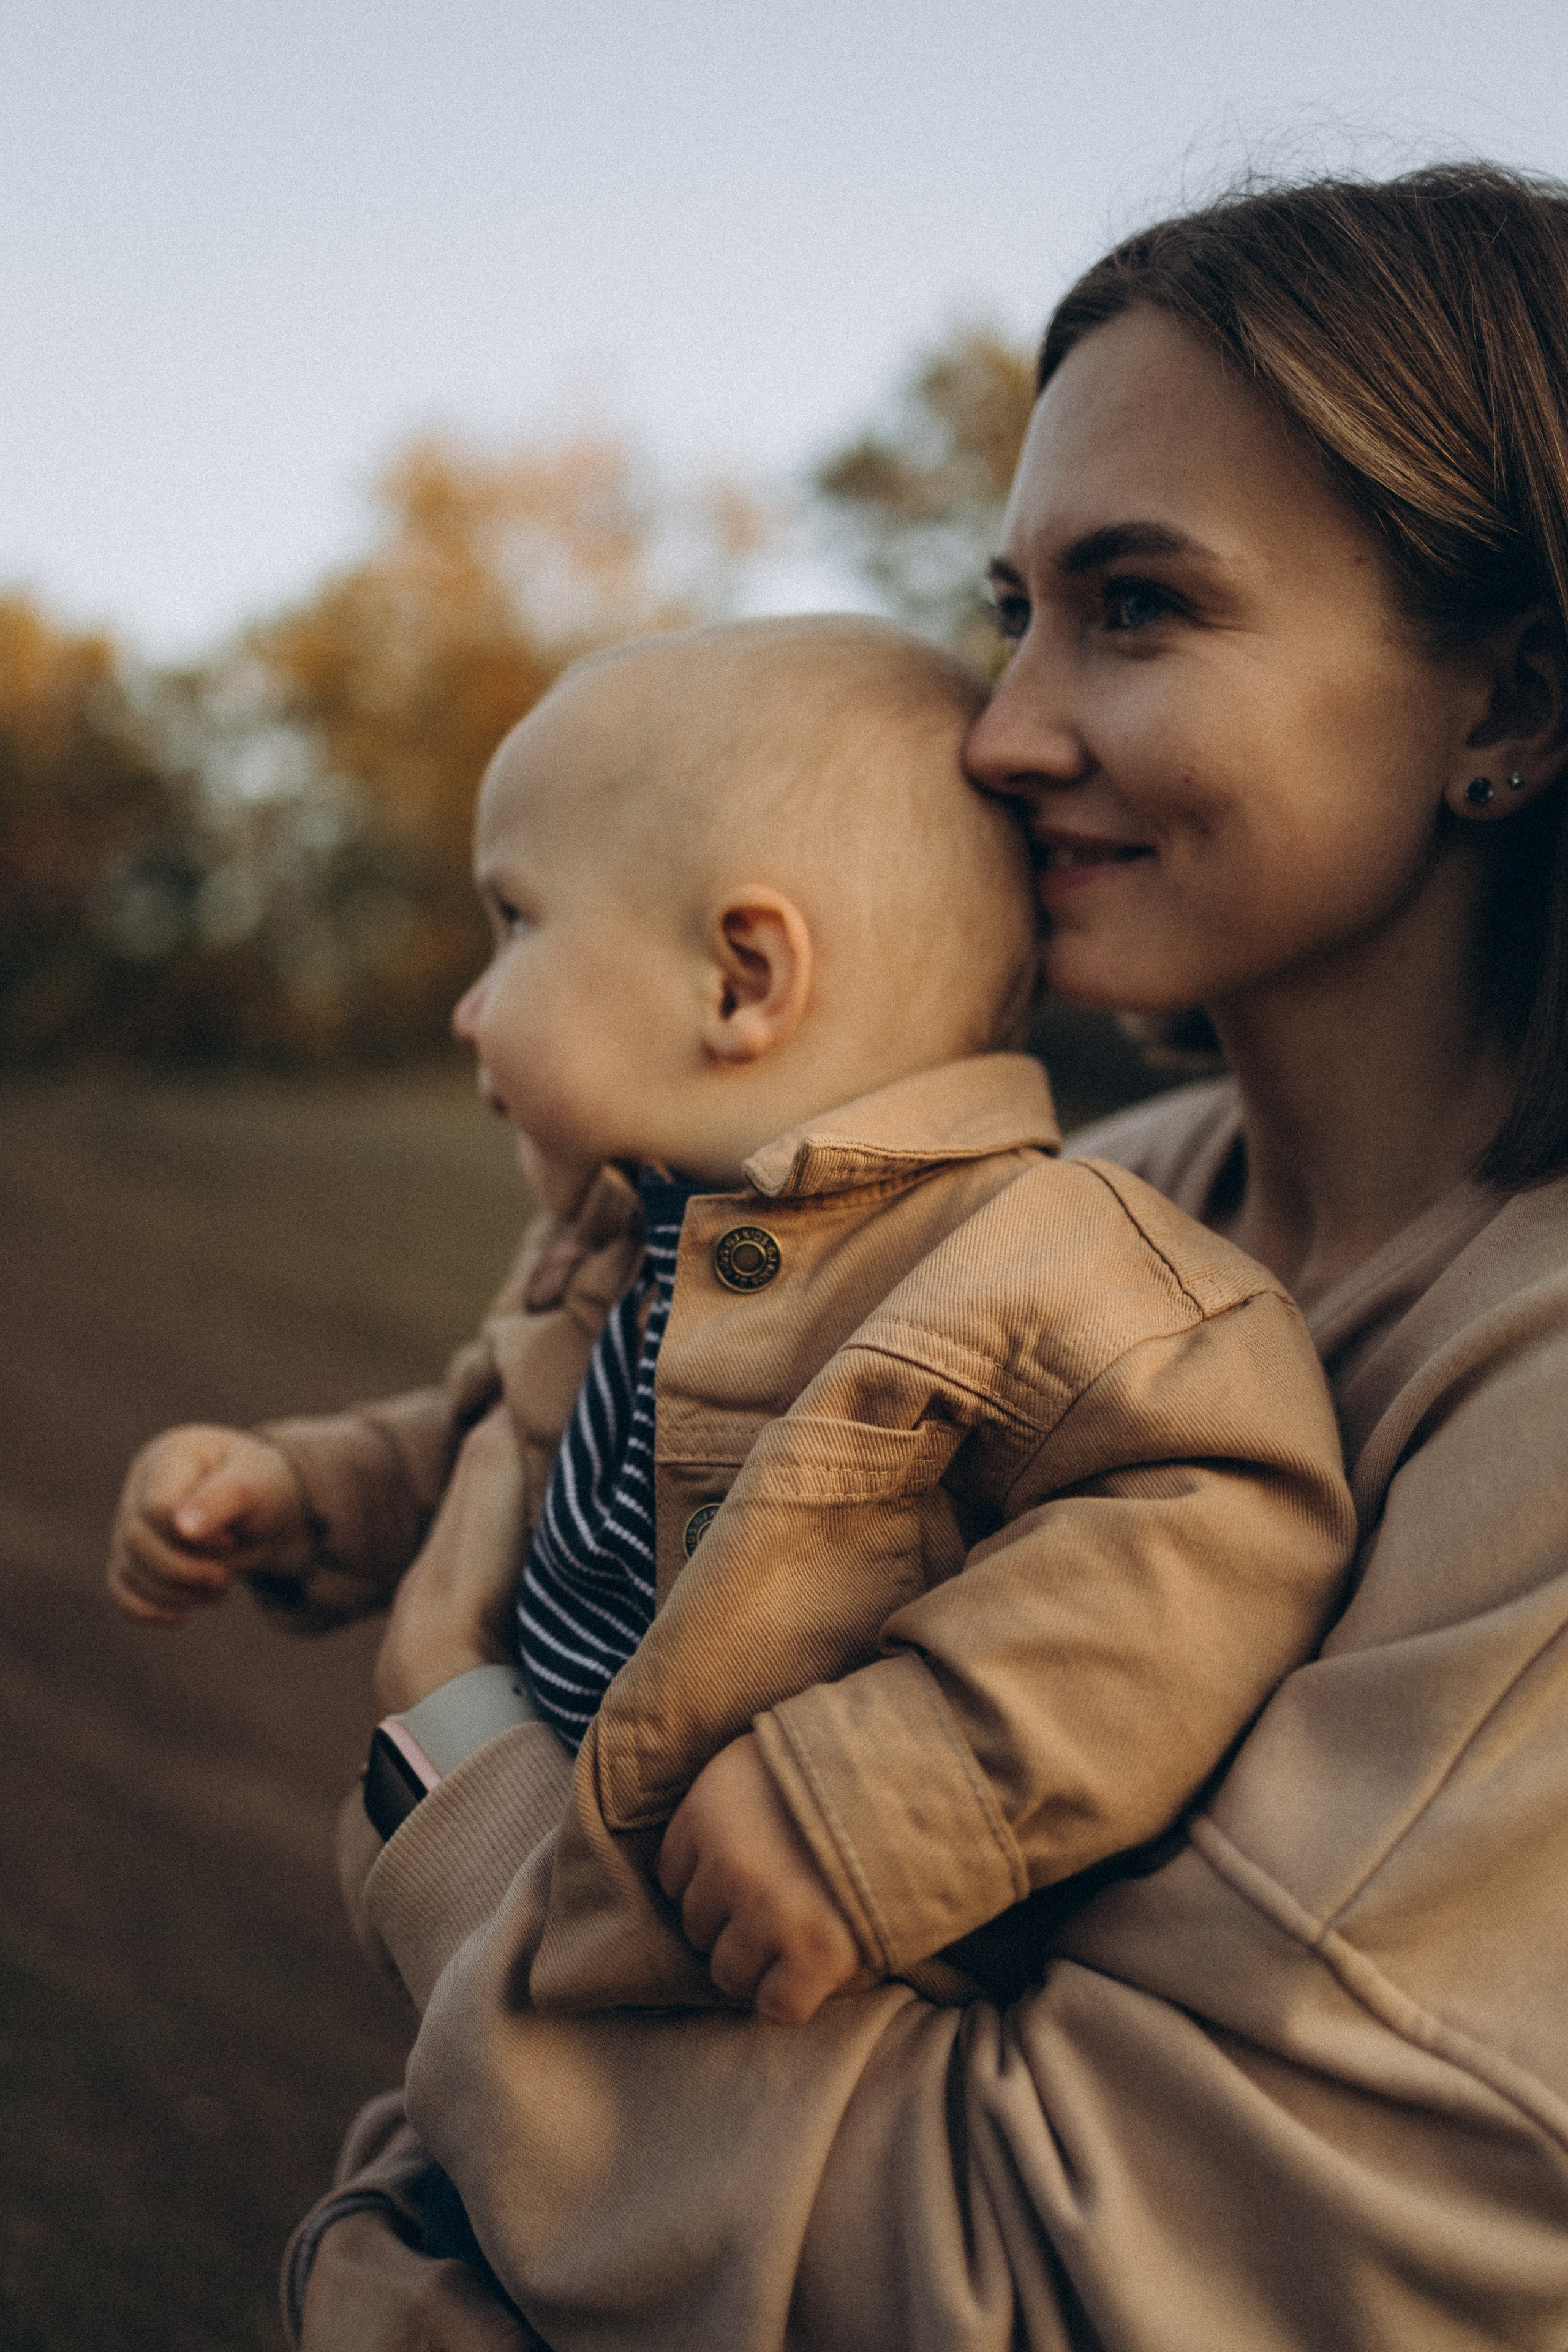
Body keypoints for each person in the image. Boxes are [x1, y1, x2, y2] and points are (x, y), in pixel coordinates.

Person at [287, 163, 1568, 2351]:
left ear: (1508, 706)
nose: (1002, 729)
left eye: (1140, 606)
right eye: (1016, 611)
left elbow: (1052, 2279)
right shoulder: (1082, 1183)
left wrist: (460, 1793)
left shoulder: (1533, 1401)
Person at [108, 612, 1350, 2038]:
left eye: (514, 921)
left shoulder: (1040, 1261)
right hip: (520, 1946)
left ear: (738, 980)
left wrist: (875, 1795)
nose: (467, 1007)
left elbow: (1212, 1524)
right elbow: (489, 1443)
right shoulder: (626, 1230)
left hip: (773, 2023)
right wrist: (298, 1491)